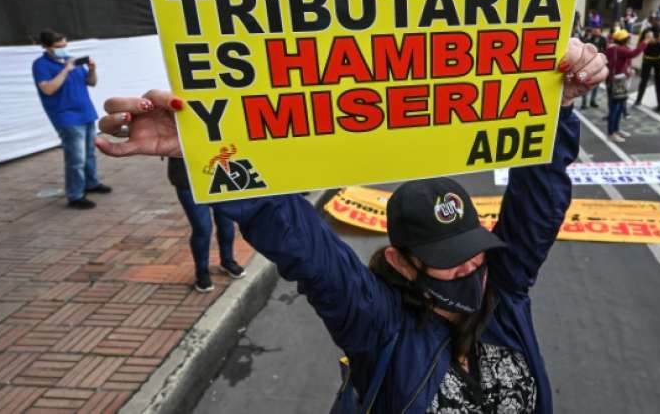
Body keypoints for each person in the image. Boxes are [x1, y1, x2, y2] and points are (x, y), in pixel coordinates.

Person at [95, 42, 605, 412]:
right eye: (450, 261)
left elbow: (538, 201)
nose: (473, 267)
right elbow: (303, 242)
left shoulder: (505, 294)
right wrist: (203, 150)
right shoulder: (377, 324)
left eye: (474, 249)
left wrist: (554, 107)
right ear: (403, 263)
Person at [32, 29, 111, 209]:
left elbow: (91, 82)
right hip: (66, 116)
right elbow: (48, 89)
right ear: (46, 46)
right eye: (57, 46)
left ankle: (91, 183)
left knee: (90, 152)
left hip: (86, 112)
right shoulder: (40, 65)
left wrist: (92, 70)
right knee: (76, 157)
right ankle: (75, 195)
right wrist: (66, 70)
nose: (63, 48)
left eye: (64, 44)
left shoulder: (73, 60)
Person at [168, 157, 246, 292]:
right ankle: (202, 271)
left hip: (220, 175)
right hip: (188, 179)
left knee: (226, 222)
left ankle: (227, 261)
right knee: (203, 228)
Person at [605, 29, 650, 142]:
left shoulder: (611, 48)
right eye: (628, 38)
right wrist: (645, 42)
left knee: (619, 107)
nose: (630, 40)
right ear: (624, 40)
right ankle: (611, 133)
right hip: (616, 82)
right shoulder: (620, 50)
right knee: (615, 108)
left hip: (616, 81)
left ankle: (616, 130)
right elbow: (633, 53)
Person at [634, 15, 660, 111]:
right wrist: (647, 41)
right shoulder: (646, 31)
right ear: (652, 22)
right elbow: (639, 44)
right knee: (644, 80)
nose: (658, 23)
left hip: (659, 59)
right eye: (656, 21)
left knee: (659, 81)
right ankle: (638, 100)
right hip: (647, 58)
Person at [580, 27, 607, 109]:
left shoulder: (603, 39)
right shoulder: (588, 39)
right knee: (585, 84)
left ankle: (593, 101)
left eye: (598, 31)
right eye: (595, 31)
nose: (596, 33)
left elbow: (605, 50)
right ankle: (584, 103)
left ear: (601, 32)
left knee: (596, 84)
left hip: (598, 64)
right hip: (588, 65)